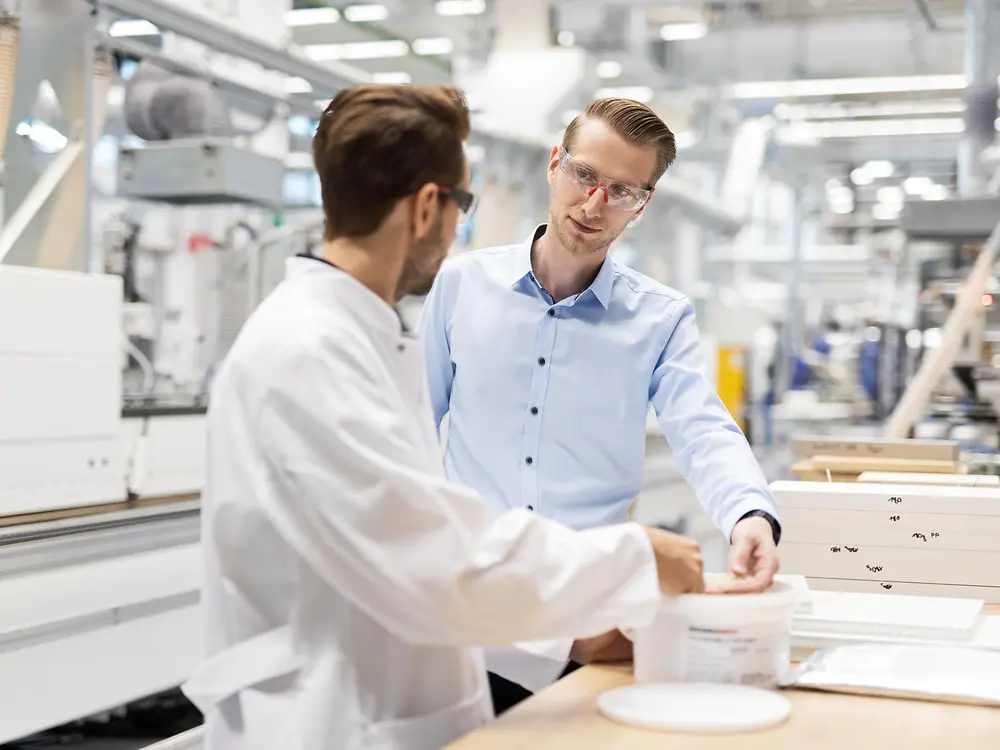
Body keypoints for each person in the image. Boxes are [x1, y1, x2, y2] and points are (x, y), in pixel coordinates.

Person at [180, 84, 707, 750]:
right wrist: (633, 560)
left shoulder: (354, 336)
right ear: (429, 208)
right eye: (464, 204)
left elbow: (424, 536)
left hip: (384, 701)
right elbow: (435, 563)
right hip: (327, 721)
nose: (459, 228)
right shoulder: (308, 351)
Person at [418, 97, 782, 713]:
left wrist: (750, 515)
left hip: (586, 622)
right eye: (585, 176)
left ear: (644, 203)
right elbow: (411, 426)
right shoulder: (460, 286)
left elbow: (704, 431)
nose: (594, 205)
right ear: (556, 164)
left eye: (622, 191)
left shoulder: (660, 319)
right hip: (469, 613)